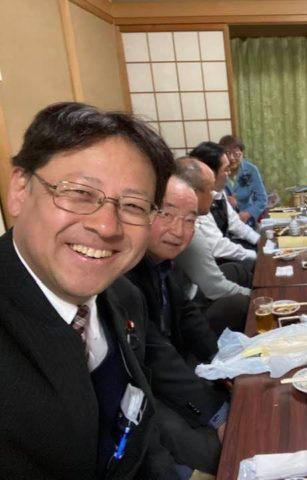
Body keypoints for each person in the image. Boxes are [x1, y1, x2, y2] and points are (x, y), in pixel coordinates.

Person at [0, 102, 179, 478]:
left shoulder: (125, 297)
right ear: (19, 188)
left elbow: (138, 431)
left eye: (133, 205)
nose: (106, 226)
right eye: (80, 193)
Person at [127, 176, 229, 476]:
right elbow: (156, 358)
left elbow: (187, 315)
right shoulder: (125, 272)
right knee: (217, 449)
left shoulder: (162, 262)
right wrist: (217, 415)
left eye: (189, 220)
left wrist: (224, 362)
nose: (179, 230)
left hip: (168, 367)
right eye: (166, 214)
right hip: (139, 387)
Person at [175, 158, 250, 335]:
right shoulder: (188, 231)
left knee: (235, 270)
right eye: (210, 190)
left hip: (194, 290)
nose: (215, 195)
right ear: (191, 193)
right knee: (242, 304)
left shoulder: (195, 218)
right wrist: (255, 297)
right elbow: (214, 287)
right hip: (187, 309)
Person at [189, 141, 259, 266]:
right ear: (209, 172)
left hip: (222, 251)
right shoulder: (198, 200)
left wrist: (259, 240)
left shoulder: (219, 193)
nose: (229, 174)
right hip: (211, 261)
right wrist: (254, 255)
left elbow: (235, 224)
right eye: (226, 170)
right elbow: (218, 246)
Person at [218, 135, 267, 226]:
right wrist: (225, 202)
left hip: (246, 220)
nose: (232, 158)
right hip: (224, 221)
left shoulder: (251, 169)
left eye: (237, 154)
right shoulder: (217, 171)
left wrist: (248, 213)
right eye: (228, 153)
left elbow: (262, 199)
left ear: (242, 153)